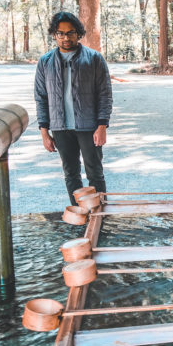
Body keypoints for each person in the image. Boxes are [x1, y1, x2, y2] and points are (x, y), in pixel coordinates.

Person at [34, 12, 113, 205]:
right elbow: (41, 98)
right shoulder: (45, 62)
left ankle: (100, 213)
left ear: (78, 33)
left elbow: (105, 94)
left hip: (89, 126)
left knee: (94, 171)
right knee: (71, 173)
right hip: (60, 127)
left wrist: (102, 125)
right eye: (60, 33)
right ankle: (79, 213)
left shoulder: (94, 59)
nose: (65, 37)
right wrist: (45, 132)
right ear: (54, 34)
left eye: (70, 33)